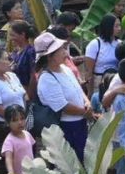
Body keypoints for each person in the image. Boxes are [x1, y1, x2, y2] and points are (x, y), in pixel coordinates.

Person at [34, 32, 91, 161]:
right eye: (60, 50)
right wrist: (85, 112)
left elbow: (77, 88)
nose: (65, 53)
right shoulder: (47, 79)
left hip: (80, 121)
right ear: (50, 56)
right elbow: (62, 106)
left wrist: (87, 102)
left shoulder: (65, 69)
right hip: (68, 126)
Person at [86, 14, 121, 90]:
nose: (119, 29)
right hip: (99, 82)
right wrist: (90, 92)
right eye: (116, 26)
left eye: (119, 26)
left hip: (115, 80)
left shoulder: (120, 44)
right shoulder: (95, 44)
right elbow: (89, 72)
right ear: (108, 27)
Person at [1, 105, 34, 174]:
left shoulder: (27, 134)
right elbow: (8, 158)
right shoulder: (9, 140)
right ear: (7, 123)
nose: (19, 122)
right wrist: (11, 172)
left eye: (22, 119)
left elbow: (31, 151)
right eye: (15, 120)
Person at [6, 21, 37, 90]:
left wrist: (29, 94)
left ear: (22, 34)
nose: (11, 38)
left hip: (28, 92)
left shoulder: (30, 52)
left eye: (13, 35)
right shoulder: (15, 51)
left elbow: (33, 76)